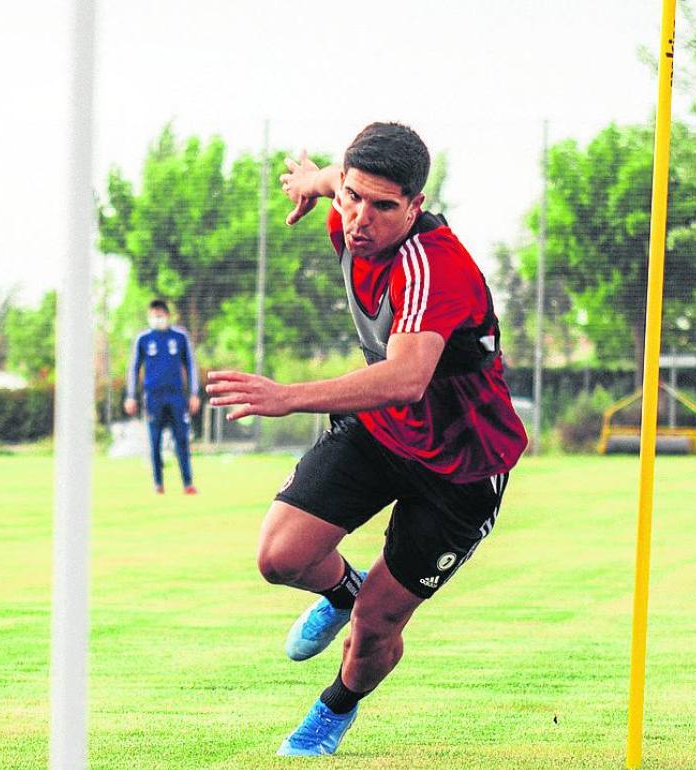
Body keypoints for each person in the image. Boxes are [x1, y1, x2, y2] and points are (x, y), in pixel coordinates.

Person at [206, 122, 527, 756]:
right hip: (381, 436)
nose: (360, 217)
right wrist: (311, 182)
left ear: (416, 206)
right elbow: (332, 176)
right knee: (280, 558)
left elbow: (406, 378)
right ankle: (341, 591)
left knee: (375, 626)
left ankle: (335, 708)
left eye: (384, 206)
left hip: (460, 469)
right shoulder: (349, 203)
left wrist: (288, 397)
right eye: (353, 196)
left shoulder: (435, 270)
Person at [124, 300, 201, 494]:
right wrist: (131, 396)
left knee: (181, 440)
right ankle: (158, 483)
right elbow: (133, 368)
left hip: (176, 396)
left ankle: (188, 483)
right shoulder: (143, 339)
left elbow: (191, 365)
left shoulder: (180, 337)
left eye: (160, 314)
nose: (157, 318)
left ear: (167, 315)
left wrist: (194, 394)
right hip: (153, 398)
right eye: (154, 314)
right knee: (155, 441)